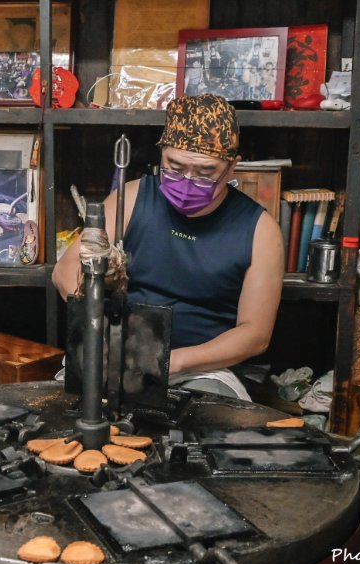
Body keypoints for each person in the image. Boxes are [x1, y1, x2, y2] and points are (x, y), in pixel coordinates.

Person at [52, 94, 284, 400]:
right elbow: (64, 271)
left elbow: (255, 334)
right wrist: (102, 327)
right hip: (117, 349)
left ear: (232, 168)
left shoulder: (260, 231)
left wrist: (174, 361)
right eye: (174, 167)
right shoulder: (131, 199)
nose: (187, 181)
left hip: (202, 368)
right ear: (161, 154)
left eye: (205, 172)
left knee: (202, 425)